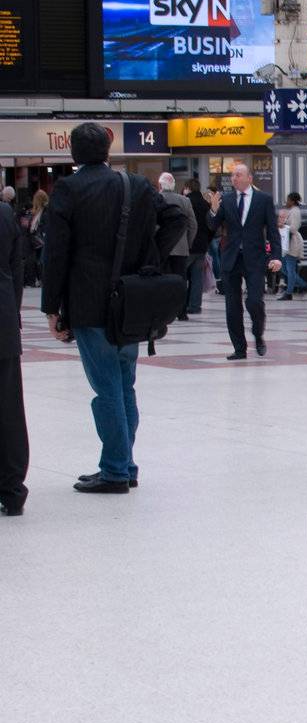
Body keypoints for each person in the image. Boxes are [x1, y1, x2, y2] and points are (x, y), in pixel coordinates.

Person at [40, 120, 187, 492]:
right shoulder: (134, 184)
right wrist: (151, 257)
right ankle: (122, 463)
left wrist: (51, 307)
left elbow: (55, 253)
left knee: (106, 388)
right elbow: (177, 216)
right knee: (124, 385)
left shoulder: (69, 190)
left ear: (73, 153)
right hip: (131, 301)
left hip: (89, 304)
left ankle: (116, 470)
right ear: (107, 151)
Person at [207, 164, 283, 359]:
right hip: (231, 259)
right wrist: (214, 210)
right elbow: (212, 226)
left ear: (249, 178)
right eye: (233, 175)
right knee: (232, 306)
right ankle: (239, 348)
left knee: (254, 301)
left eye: (238, 175)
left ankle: (258, 334)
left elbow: (273, 231)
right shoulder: (227, 200)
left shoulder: (263, 200)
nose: (234, 178)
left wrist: (276, 256)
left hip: (255, 259)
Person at [0, 191, 29, 516]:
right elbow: (17, 269)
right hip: (3, 318)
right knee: (8, 406)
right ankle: (12, 489)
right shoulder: (6, 215)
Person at [156, 173, 197, 319]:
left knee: (160, 279)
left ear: (160, 185)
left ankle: (163, 311)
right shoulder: (185, 201)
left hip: (160, 249)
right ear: (174, 186)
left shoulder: (156, 199)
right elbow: (193, 225)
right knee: (181, 280)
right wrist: (188, 242)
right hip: (181, 249)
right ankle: (181, 311)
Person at [183, 177, 211, 316]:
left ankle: (183, 304)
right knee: (197, 277)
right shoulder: (206, 204)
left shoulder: (186, 202)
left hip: (188, 245)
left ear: (188, 188)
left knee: (182, 276)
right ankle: (195, 305)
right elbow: (211, 226)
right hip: (202, 246)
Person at [279, 192, 307, 301]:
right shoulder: (292, 211)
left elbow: (294, 227)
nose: (286, 202)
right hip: (287, 242)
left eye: (288, 200)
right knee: (285, 268)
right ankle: (303, 284)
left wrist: (283, 226)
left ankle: (289, 292)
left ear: (292, 201)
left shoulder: (295, 212)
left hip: (292, 243)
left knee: (289, 268)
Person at [25, 190, 48, 289]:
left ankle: (42, 279)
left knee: (40, 261)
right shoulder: (37, 211)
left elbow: (43, 225)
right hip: (37, 240)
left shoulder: (44, 211)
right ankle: (40, 279)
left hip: (41, 240)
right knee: (37, 261)